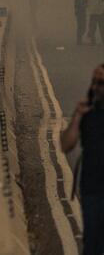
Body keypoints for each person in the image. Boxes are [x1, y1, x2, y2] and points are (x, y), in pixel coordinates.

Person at [61, 64, 104, 255]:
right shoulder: (87, 113)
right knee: (92, 243)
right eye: (94, 82)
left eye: (101, 83)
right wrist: (77, 116)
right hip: (92, 188)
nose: (96, 87)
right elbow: (66, 145)